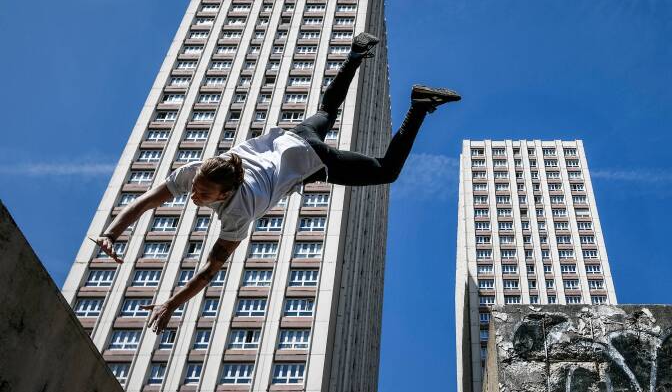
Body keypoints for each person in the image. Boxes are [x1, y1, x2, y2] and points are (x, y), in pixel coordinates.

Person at [93, 32, 459, 332]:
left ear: (226, 192)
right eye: (195, 190)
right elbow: (147, 201)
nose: (194, 196)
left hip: (309, 159)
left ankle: (418, 105)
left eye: (203, 195)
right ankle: (356, 53)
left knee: (385, 171)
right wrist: (113, 232)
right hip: (291, 137)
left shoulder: (240, 208)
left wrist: (172, 303)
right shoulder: (198, 170)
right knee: (327, 111)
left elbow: (210, 269)